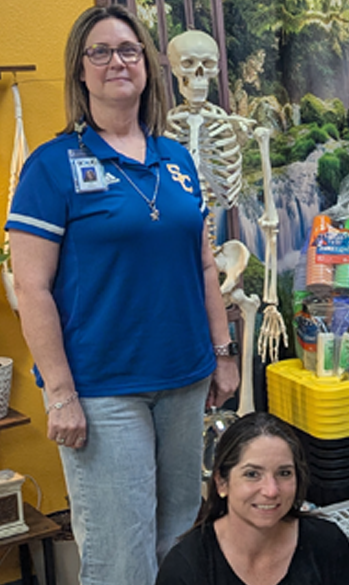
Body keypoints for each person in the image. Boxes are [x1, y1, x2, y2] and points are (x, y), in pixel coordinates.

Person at [5, 6, 239, 584]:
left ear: (146, 67)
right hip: (105, 390)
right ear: (80, 72)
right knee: (121, 554)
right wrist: (60, 394)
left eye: (129, 50)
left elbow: (204, 265)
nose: (117, 62)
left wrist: (223, 353)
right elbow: (30, 286)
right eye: (101, 52)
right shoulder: (52, 166)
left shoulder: (176, 159)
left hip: (185, 379)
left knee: (180, 536)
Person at [155, 412, 349, 585]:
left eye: (284, 473)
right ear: (221, 482)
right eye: (252, 474)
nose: (271, 490)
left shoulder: (327, 544)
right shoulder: (186, 568)